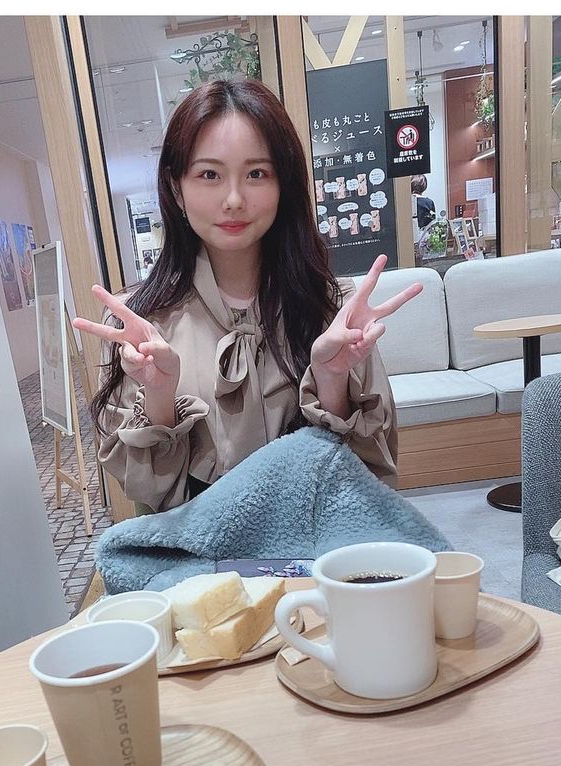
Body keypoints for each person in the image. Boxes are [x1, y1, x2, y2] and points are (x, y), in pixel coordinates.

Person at [72, 78, 422, 512]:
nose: (234, 199)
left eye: (256, 174)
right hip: (195, 552)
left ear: (283, 185)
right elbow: (147, 493)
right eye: (209, 175)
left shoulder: (332, 309)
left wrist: (331, 381)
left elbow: (365, 478)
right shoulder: (140, 325)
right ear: (176, 188)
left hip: (312, 545)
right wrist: (160, 396)